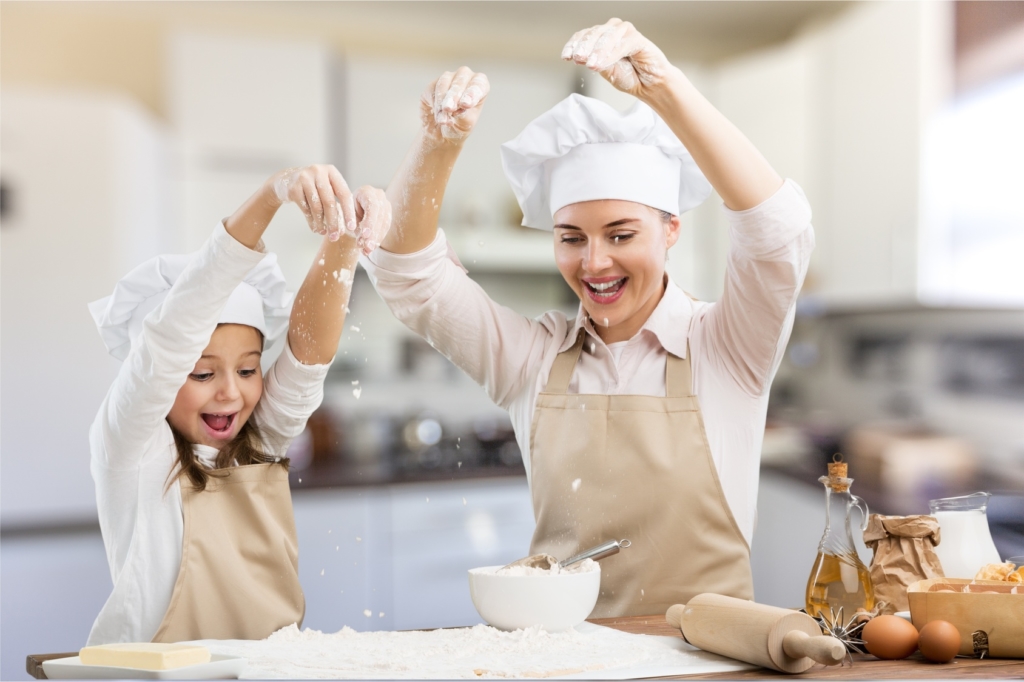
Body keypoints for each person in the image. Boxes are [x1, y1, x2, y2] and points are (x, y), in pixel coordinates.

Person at [363, 18, 814, 617]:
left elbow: (778, 234)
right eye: (571, 237)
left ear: (670, 229)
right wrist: (436, 143)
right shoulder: (534, 359)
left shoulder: (727, 346)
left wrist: (664, 90)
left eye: (620, 234)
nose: (594, 262)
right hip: (567, 662)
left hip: (707, 664)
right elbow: (408, 276)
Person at [86, 164, 391, 644]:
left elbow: (309, 356)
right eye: (203, 373)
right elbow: (170, 341)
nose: (231, 392)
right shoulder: (132, 446)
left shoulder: (259, 440)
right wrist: (273, 193)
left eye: (248, 369)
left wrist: (345, 236)